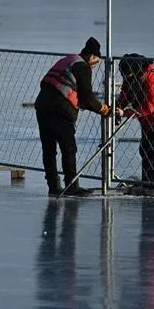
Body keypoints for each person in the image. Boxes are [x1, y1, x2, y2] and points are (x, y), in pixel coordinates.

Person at [34, 36, 111, 197]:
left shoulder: (68, 60)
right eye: (96, 61)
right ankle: (71, 185)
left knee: (48, 148)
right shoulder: (83, 67)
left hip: (42, 104)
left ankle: (53, 186)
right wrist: (104, 109)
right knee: (68, 147)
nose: (95, 66)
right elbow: (87, 99)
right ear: (91, 56)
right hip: (60, 109)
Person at [115, 54, 154, 198]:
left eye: (128, 74)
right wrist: (117, 107)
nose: (126, 78)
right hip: (146, 120)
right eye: (124, 75)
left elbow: (149, 107)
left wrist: (124, 113)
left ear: (136, 71)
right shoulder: (131, 78)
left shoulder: (153, 78)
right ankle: (148, 183)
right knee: (145, 150)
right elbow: (125, 94)